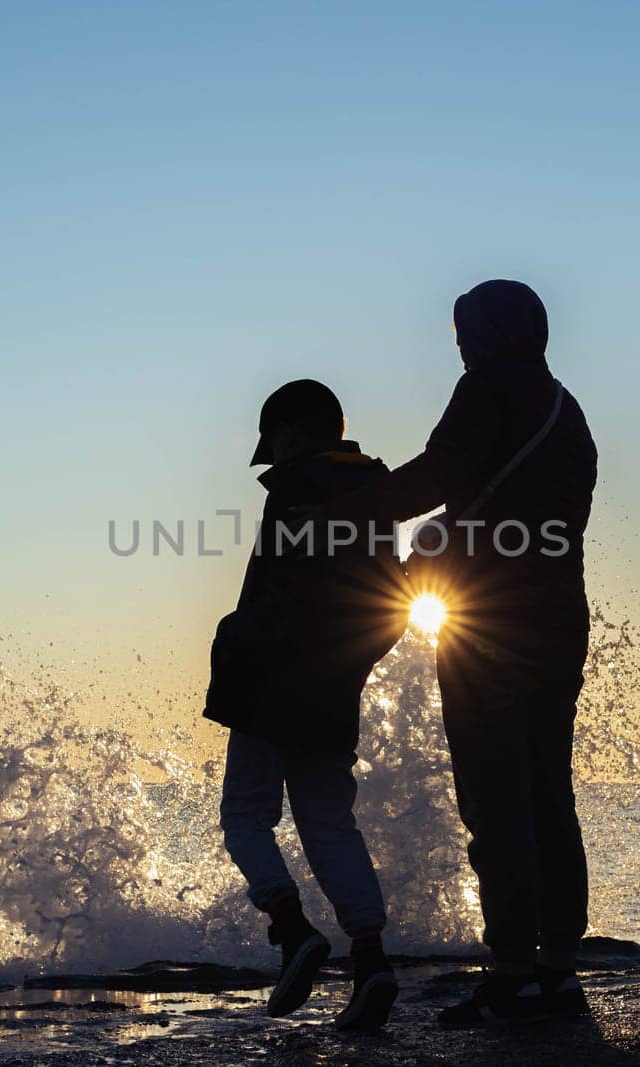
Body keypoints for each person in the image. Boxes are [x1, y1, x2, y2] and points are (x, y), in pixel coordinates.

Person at [325, 280, 598, 1026]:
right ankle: (558, 970)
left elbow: (441, 474)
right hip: (558, 620)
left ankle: (510, 972)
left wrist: (350, 506)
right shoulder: (565, 410)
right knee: (549, 794)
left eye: (461, 329)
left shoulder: (486, 388)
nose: (457, 342)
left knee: (494, 795)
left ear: (486, 331)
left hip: (489, 629)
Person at [204, 378, 409, 1031]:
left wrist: (233, 637)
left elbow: (278, 601)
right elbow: (395, 605)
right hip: (332, 691)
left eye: (277, 440)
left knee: (245, 816)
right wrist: (346, 666)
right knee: (330, 824)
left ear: (295, 432)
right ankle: (371, 961)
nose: (273, 456)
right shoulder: (377, 494)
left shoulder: (298, 490)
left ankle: (294, 931)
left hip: (270, 686)